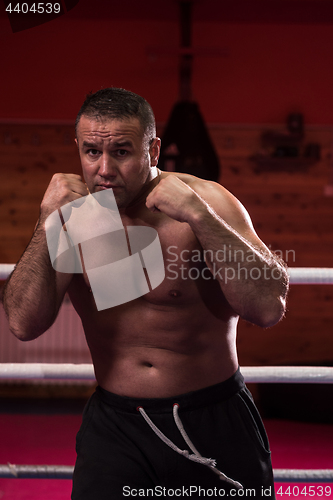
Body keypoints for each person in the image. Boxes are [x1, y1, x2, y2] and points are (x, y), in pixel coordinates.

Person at [2, 88, 288, 499]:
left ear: (152, 150)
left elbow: (268, 307)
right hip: (117, 426)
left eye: (121, 151)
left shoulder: (207, 201)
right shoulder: (73, 217)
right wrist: (47, 223)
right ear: (77, 149)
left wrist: (200, 218)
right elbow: (23, 324)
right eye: (91, 152)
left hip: (212, 417)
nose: (104, 169)